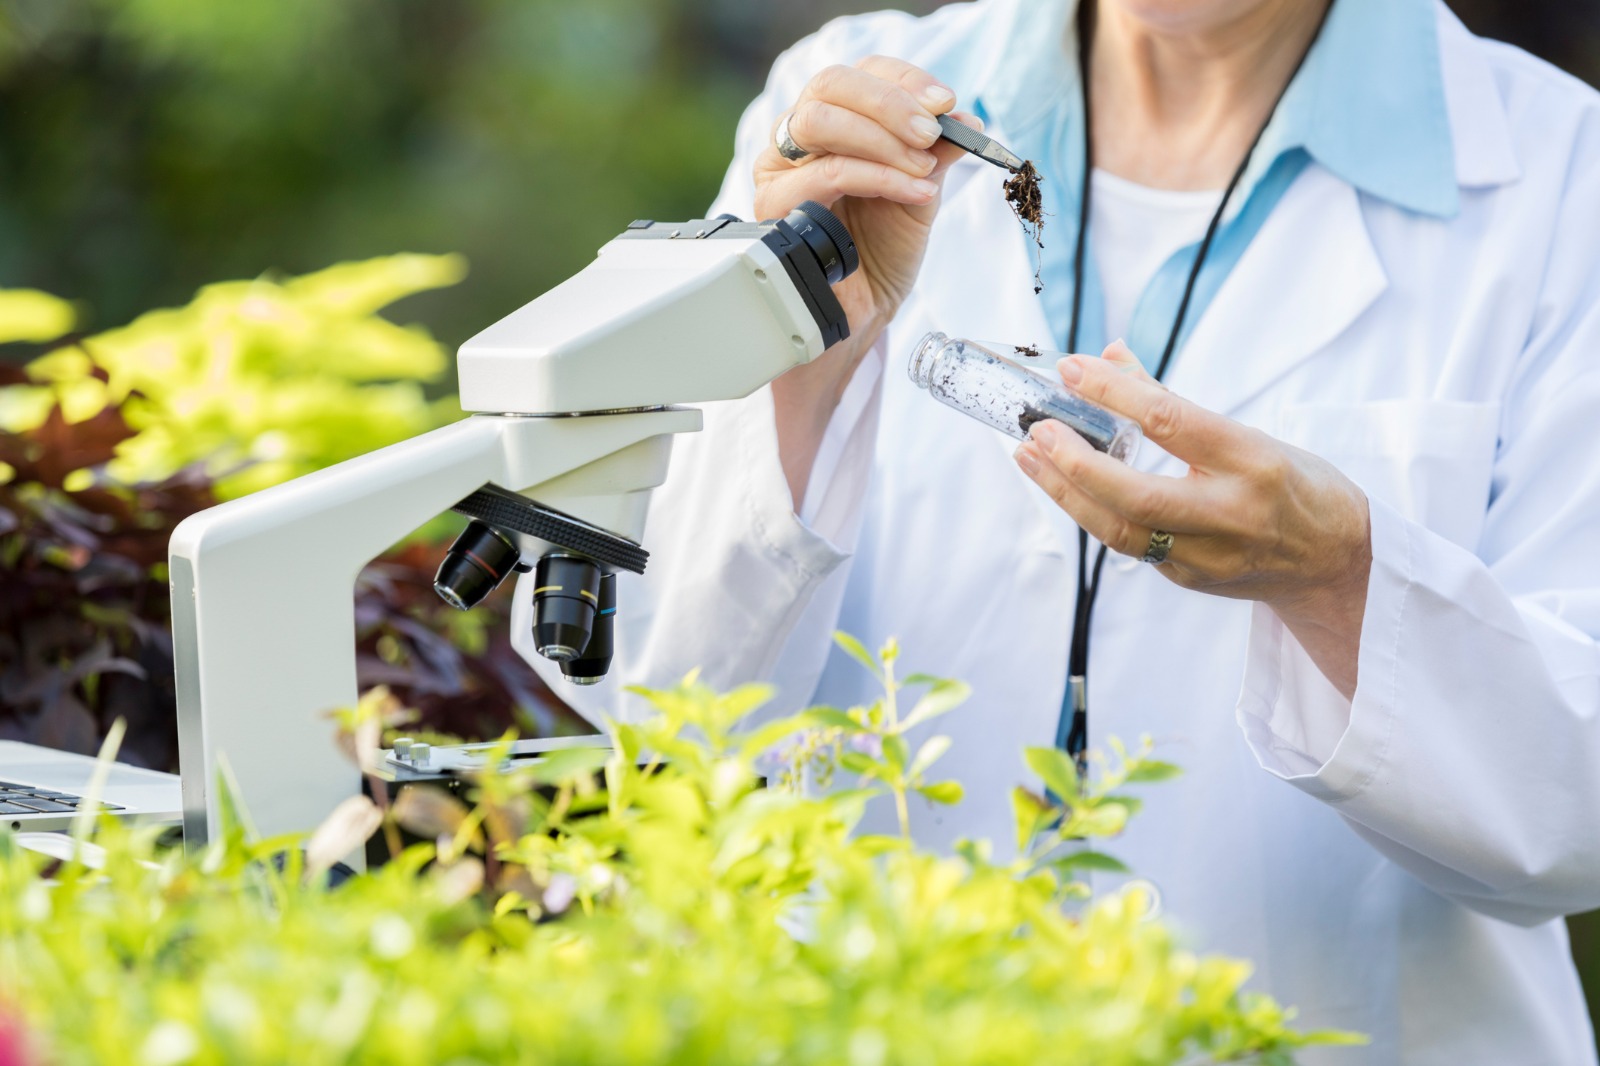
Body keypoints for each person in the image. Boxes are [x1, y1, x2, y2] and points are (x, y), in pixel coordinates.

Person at [512, 0, 1600, 1059]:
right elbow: (653, 698)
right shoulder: (840, 113)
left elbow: (1579, 812)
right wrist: (806, 367)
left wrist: (1339, 580)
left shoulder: (1559, 179)